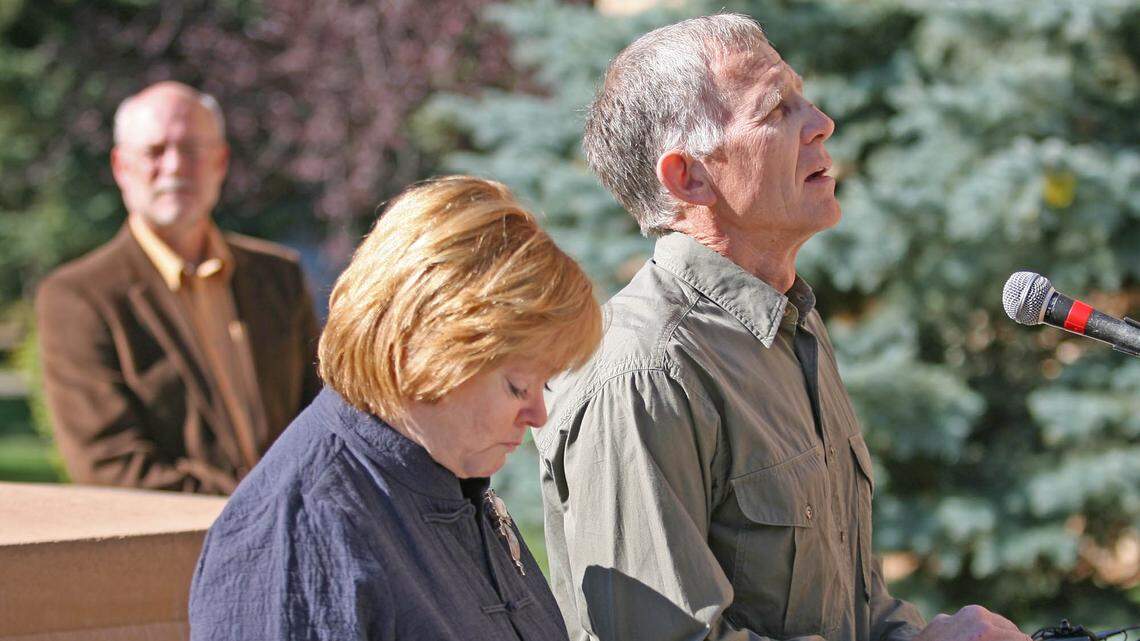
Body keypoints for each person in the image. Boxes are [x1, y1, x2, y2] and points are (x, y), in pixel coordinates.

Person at [537, 14, 1032, 641]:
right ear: (688, 176)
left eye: (804, 96)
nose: (822, 122)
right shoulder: (644, 372)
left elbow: (849, 607)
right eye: (777, 109)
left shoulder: (792, 327)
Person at [189, 176, 602, 640]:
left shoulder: (442, 472)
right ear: (431, 348)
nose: (536, 417)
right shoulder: (301, 533)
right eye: (516, 386)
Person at [36, 81, 321, 494]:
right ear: (121, 167)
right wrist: (258, 511)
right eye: (155, 151)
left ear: (220, 162)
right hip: (178, 550)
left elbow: (321, 417)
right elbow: (109, 465)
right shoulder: (78, 298)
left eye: (191, 150)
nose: (174, 167)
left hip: (303, 543)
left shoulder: (278, 275)